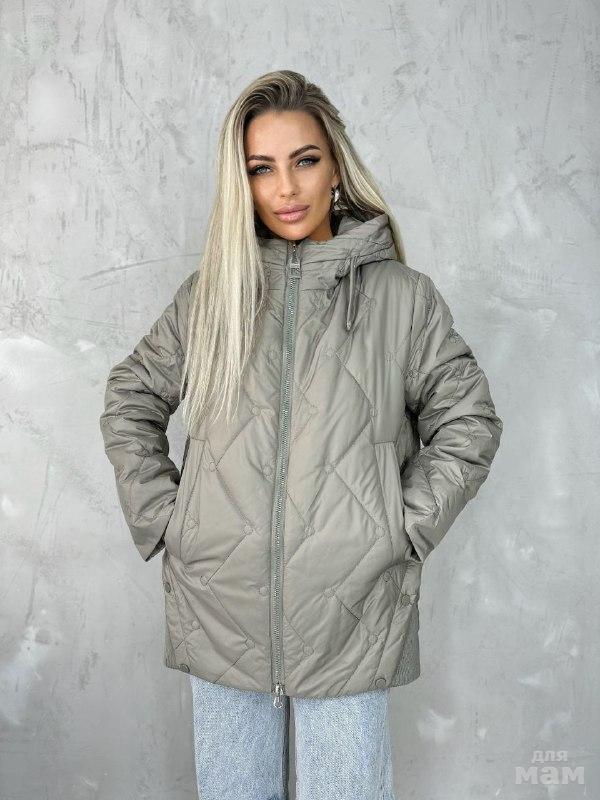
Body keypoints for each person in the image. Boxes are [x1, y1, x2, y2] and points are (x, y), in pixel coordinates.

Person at [99, 69, 503, 800]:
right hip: (221, 604)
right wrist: (171, 519)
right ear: (242, 182)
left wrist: (398, 529)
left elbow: (468, 420)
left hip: (351, 610)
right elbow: (131, 397)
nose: (285, 188)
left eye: (305, 160)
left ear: (336, 167)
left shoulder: (402, 300)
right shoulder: (211, 297)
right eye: (262, 168)